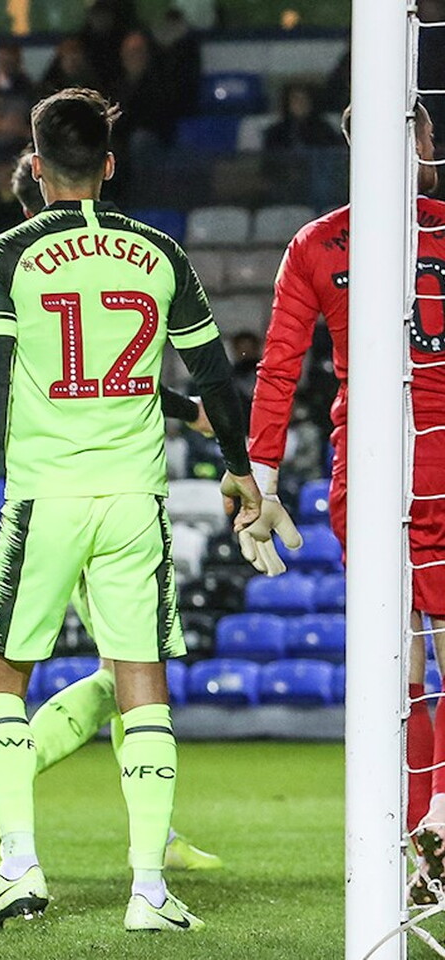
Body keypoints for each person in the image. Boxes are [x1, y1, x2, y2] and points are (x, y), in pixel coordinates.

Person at [0, 88, 260, 934]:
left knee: (1, 672)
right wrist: (239, 469)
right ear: (111, 164)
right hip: (134, 500)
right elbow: (214, 375)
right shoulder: (159, 252)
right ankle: (149, 890)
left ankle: (19, 866)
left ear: (36, 164)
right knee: (141, 682)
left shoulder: (5, 254)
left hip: (46, 495)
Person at [244, 101, 445, 900]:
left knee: (402, 664)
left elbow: (279, 366)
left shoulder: (319, 243)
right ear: (424, 140)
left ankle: (415, 841)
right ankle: (441, 822)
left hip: (369, 464)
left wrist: (262, 482)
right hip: (440, 450)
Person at [263, 82, 343, 151]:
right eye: (295, 100)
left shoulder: (324, 130)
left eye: (304, 100)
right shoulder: (276, 133)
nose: (300, 104)